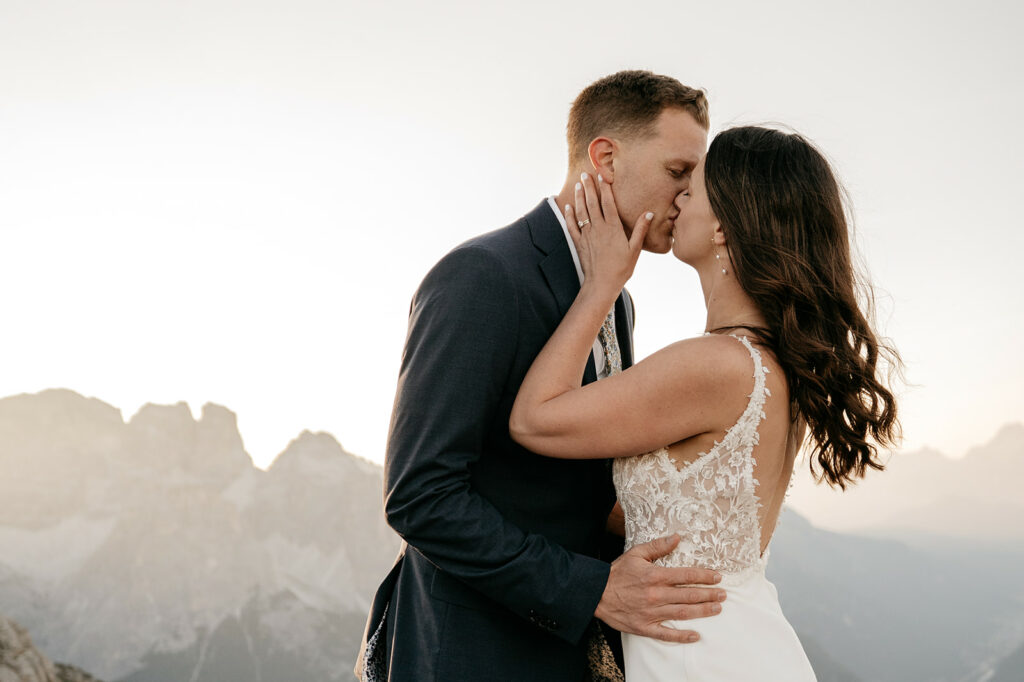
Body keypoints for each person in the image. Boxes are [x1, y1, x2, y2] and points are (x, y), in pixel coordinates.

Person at [355, 71, 728, 682]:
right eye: (678, 172)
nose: (689, 196)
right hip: (472, 651)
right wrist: (591, 590)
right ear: (604, 157)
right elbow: (421, 495)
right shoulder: (482, 276)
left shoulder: (620, 300)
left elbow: (573, 480)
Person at [509, 125, 901, 680]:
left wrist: (601, 285)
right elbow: (673, 514)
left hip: (702, 652)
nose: (677, 199)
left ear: (723, 225)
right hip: (723, 639)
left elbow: (534, 420)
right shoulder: (769, 364)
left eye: (691, 189)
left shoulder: (715, 364)